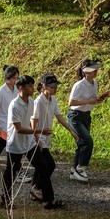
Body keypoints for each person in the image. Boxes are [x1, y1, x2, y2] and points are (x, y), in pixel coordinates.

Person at [4, 75, 65, 210]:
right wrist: (40, 132)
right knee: (11, 172)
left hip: (29, 142)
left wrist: (37, 139)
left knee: (44, 166)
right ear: (21, 88)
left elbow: (31, 123)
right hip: (15, 143)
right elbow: (19, 129)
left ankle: (48, 201)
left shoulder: (31, 102)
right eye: (30, 86)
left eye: (32, 86)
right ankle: (6, 200)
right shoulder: (14, 105)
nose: (33, 89)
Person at [30, 73, 78, 203]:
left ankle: (34, 191)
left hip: (46, 138)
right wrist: (37, 138)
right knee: (49, 165)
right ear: (44, 86)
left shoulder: (53, 99)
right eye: (52, 87)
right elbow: (33, 120)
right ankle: (36, 188)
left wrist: (71, 131)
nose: (55, 89)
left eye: (56, 86)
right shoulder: (38, 101)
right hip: (40, 138)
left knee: (41, 166)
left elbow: (59, 116)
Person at [67, 59, 109, 182]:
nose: (96, 72)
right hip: (75, 116)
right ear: (86, 72)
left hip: (86, 116)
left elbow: (93, 100)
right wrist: (88, 101)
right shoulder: (79, 85)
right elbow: (71, 102)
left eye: (96, 70)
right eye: (93, 70)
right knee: (87, 141)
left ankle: (74, 169)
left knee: (81, 143)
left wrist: (101, 98)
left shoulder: (94, 83)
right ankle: (81, 168)